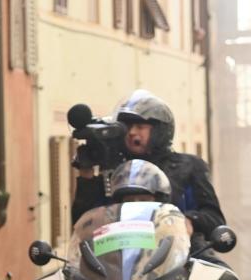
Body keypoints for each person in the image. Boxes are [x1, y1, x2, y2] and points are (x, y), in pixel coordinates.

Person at [71, 90, 224, 246]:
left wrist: (190, 221)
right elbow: (82, 225)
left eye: (140, 126)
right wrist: (87, 175)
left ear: (159, 131)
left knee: (222, 271)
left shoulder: (189, 166)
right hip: (120, 257)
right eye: (127, 127)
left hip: (183, 255)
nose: (131, 132)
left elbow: (215, 220)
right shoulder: (114, 171)